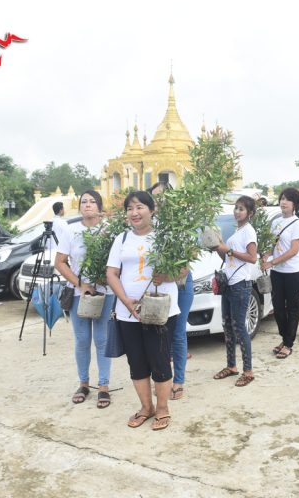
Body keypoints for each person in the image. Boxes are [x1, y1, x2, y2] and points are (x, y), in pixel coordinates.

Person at [106, 190, 180, 431]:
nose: (134, 213)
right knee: (136, 363)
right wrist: (126, 301)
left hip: (159, 311)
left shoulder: (166, 237)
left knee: (159, 361)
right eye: (130, 208)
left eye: (139, 207)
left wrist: (166, 275)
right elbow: (111, 273)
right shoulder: (122, 239)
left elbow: (183, 272)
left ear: (152, 209)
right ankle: (145, 408)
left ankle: (162, 409)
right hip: (128, 312)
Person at [55, 190, 114, 408]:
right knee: (81, 340)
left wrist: (102, 280)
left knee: (102, 340)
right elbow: (60, 262)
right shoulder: (71, 231)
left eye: (92, 202)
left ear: (100, 206)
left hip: (105, 293)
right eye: (83, 202)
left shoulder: (108, 230)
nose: (87, 205)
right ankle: (84, 383)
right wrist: (81, 284)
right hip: (79, 293)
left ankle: (104, 386)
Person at [147, 181, 191, 400]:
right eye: (155, 198)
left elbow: (185, 268)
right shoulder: (150, 228)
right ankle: (162, 378)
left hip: (180, 285)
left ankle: (178, 380)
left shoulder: (180, 226)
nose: (159, 202)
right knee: (160, 335)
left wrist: (166, 277)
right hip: (158, 287)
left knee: (178, 333)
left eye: (163, 197)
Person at [213, 196, 257, 387]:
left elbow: (252, 257)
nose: (237, 211)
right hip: (229, 284)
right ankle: (232, 366)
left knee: (239, 328)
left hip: (241, 285)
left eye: (241, 209)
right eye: (236, 208)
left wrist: (228, 250)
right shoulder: (237, 231)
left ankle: (248, 371)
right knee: (227, 326)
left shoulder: (248, 232)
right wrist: (217, 246)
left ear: (250, 213)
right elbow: (227, 255)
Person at [261, 188, 299, 360]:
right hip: (277, 272)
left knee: (292, 307)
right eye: (282, 199)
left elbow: (294, 250)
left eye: (287, 200)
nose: (283, 202)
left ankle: (288, 344)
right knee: (278, 307)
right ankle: (284, 338)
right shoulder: (275, 222)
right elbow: (273, 245)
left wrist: (272, 261)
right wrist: (266, 255)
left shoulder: (298, 224)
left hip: (293, 271)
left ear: (295, 204)